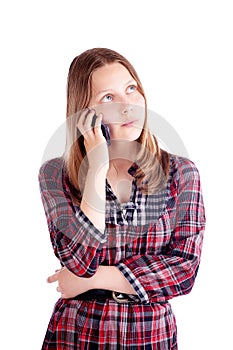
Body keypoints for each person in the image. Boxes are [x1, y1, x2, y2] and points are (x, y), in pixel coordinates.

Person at [39, 48, 206, 349]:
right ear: (84, 114)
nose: (128, 105)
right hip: (79, 333)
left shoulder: (182, 173)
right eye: (108, 98)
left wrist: (92, 281)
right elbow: (79, 262)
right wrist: (96, 169)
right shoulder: (55, 175)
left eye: (131, 89)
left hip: (150, 334)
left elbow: (184, 270)